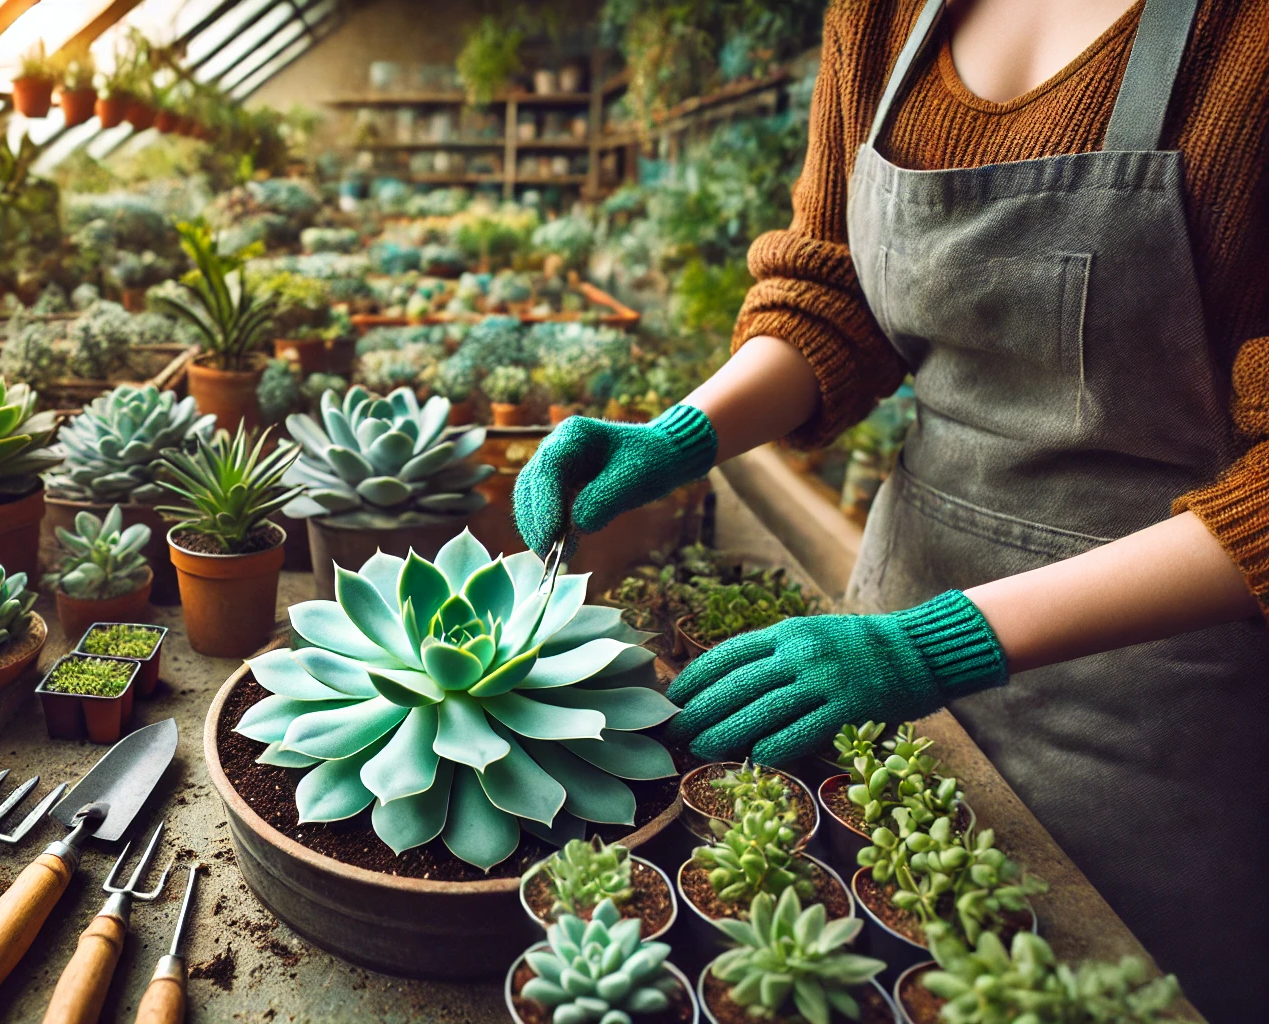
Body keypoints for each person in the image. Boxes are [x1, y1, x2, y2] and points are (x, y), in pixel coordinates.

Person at [513, 0, 1268, 1017]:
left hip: (1147, 724)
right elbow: (836, 289)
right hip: (886, 621)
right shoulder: (880, 14)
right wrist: (679, 435)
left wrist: (942, 644)